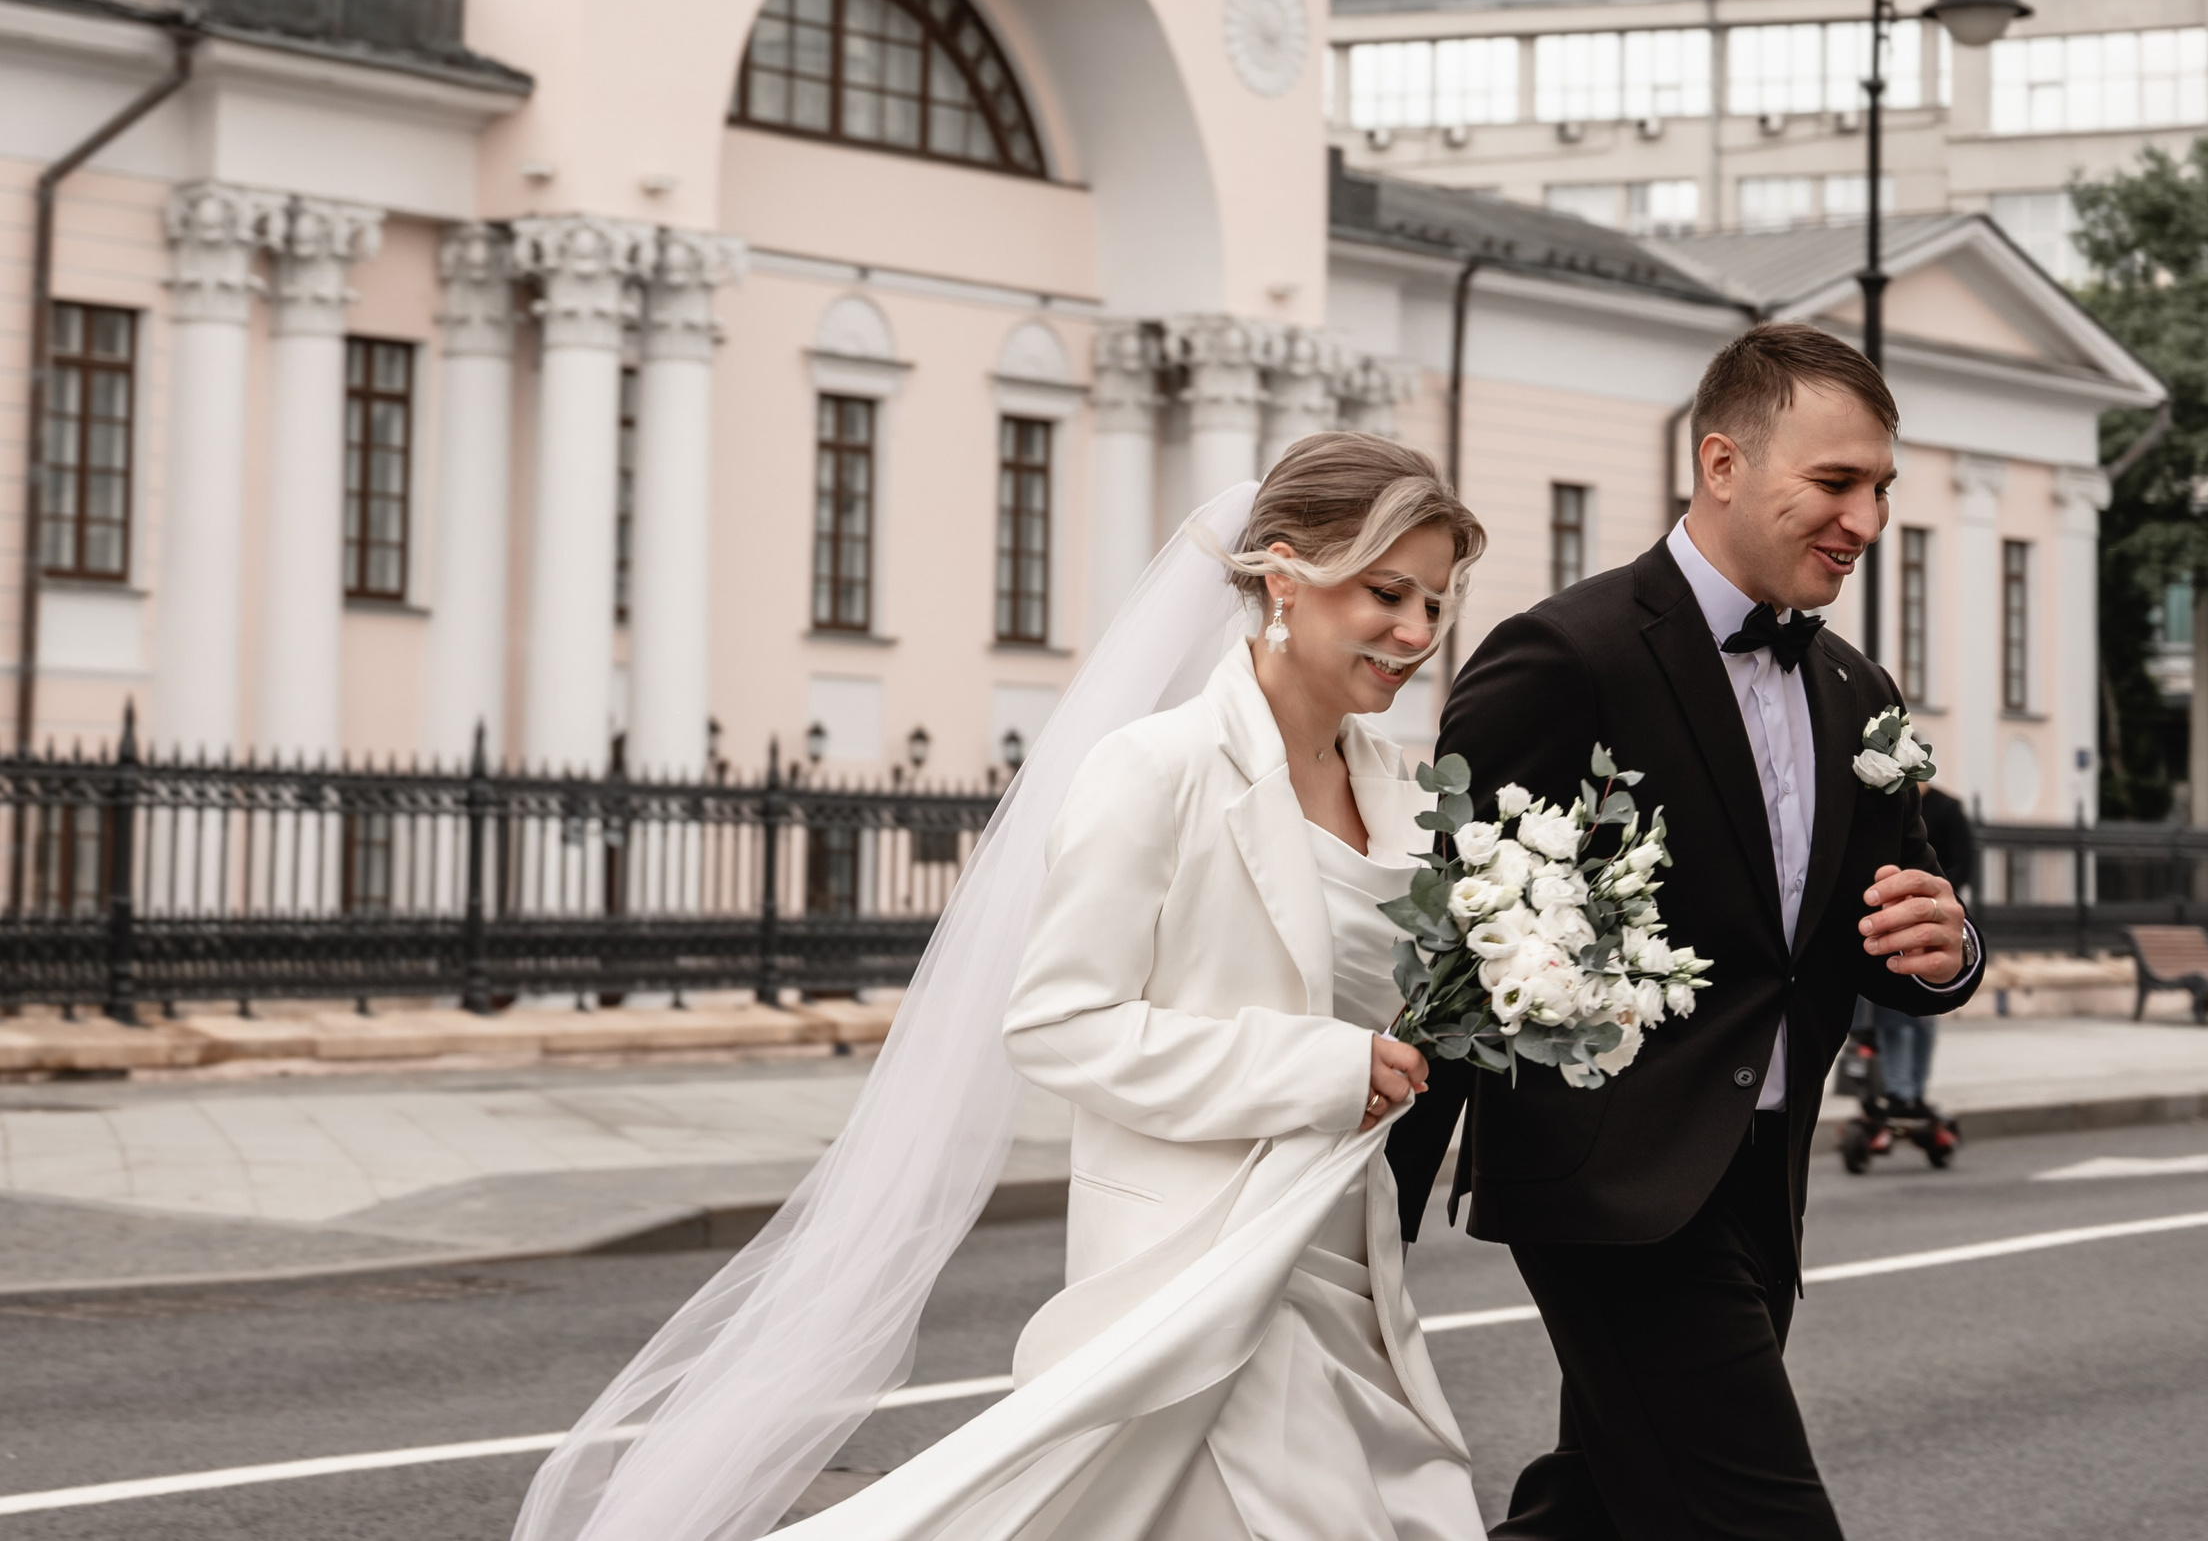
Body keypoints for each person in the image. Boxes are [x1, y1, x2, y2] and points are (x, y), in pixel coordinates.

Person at [514, 434, 1488, 1541]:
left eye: (1437, 602)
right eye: (1387, 591)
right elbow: (1059, 1023)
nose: (1416, 632)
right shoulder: (1154, 768)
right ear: (1282, 574)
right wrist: (1320, 1066)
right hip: (1198, 1258)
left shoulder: (1406, 794)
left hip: (1344, 1247)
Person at [1388, 322, 1983, 1541]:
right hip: (1609, 1187)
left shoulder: (1854, 689)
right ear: (1721, 463)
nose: (1864, 519)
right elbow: (1449, 933)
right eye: (1834, 483)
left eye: (1879, 488)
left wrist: (1947, 946)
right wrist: (1374, 1207)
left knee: (1601, 1508)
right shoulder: (1566, 656)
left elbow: (1895, 917)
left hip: (1761, 1184)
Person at [1871, 780, 1977, 1118]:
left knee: (1922, 1019)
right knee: (1891, 1017)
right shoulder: (1884, 801)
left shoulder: (1947, 808)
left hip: (1933, 916)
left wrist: (1940, 900)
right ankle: (1898, 1090)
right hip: (1891, 916)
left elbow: (1964, 861)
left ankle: (1913, 1090)